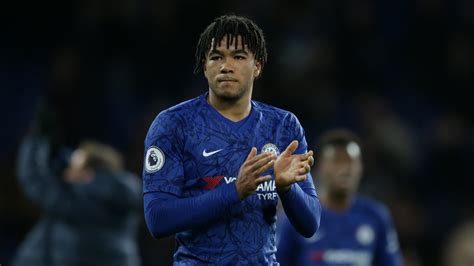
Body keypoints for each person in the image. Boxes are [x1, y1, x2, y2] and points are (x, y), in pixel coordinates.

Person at [143, 14, 321, 264]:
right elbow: (157, 219)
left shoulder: (283, 126)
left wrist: (286, 188)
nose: (226, 66)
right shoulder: (174, 124)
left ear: (257, 66)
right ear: (204, 66)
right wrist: (235, 190)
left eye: (238, 56)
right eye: (216, 57)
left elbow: (311, 223)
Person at [12, 113, 142, 266]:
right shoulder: (118, 198)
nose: (67, 172)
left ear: (88, 174)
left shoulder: (84, 203)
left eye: (73, 167)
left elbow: (35, 181)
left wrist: (35, 140)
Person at [277, 129, 403, 266]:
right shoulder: (297, 217)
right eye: (336, 161)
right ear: (319, 168)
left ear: (361, 168)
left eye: (351, 162)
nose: (345, 169)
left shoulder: (375, 216)